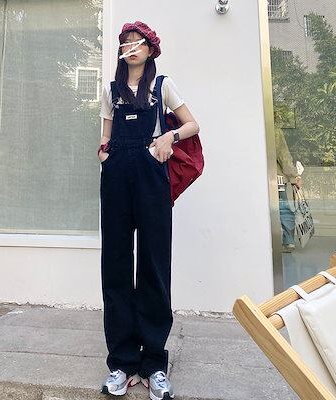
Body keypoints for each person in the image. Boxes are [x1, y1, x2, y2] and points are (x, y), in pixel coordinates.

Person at [98, 21, 200, 400]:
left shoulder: (162, 86)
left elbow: (193, 124)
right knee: (116, 265)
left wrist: (169, 136)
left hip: (151, 175)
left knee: (154, 264)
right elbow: (106, 135)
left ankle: (154, 363)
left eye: (137, 43)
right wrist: (103, 154)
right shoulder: (110, 90)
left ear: (150, 48)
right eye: (126, 43)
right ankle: (122, 363)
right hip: (116, 177)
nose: (131, 48)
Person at [275, 125, 302, 252]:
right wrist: (294, 176)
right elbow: (283, 156)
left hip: (258, 179)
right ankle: (288, 241)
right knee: (284, 209)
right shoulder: (274, 130)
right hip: (277, 178)